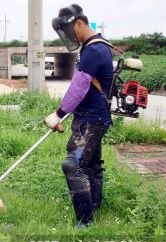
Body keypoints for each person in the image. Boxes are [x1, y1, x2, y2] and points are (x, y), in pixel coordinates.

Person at [44, 3, 113, 228]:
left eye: (69, 31)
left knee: (73, 165)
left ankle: (84, 223)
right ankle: (94, 206)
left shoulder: (94, 50)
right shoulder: (93, 47)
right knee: (91, 163)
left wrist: (59, 113)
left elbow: (80, 86)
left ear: (79, 23)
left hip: (92, 119)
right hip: (92, 116)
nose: (68, 36)